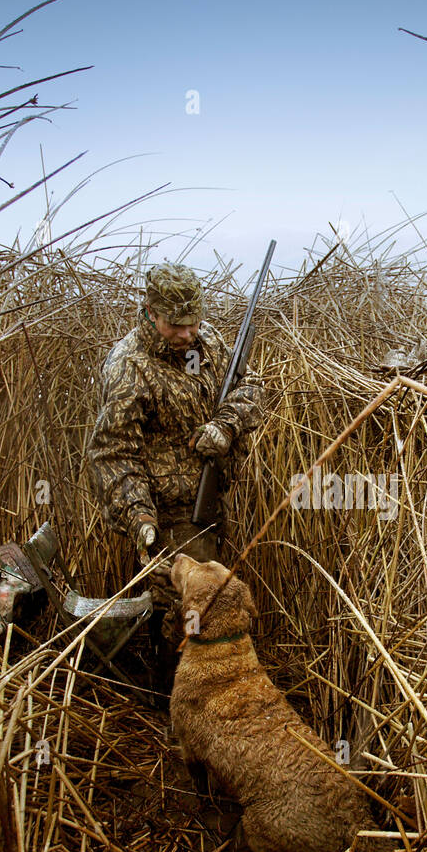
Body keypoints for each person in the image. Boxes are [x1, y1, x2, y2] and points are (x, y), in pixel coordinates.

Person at [87, 261, 264, 690]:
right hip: (166, 514)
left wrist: (224, 425)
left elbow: (251, 387)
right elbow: (112, 455)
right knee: (179, 615)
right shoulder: (129, 367)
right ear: (150, 312)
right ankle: (174, 705)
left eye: (193, 322)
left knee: (207, 607)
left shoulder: (208, 343)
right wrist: (141, 520)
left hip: (210, 499)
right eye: (176, 324)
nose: (188, 334)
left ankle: (200, 693)